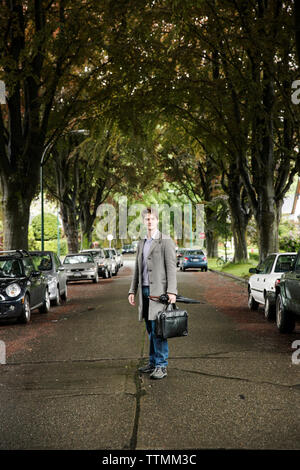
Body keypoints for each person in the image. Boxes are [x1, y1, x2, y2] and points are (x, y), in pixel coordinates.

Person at [128, 207, 177, 380]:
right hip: (144, 292)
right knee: (150, 329)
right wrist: (132, 290)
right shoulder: (141, 242)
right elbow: (137, 269)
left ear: (157, 220)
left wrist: (172, 291)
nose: (150, 222)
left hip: (159, 293)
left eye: (152, 219)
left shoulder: (166, 241)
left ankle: (162, 366)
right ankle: (152, 362)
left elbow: (171, 268)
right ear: (143, 222)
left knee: (159, 330)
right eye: (147, 219)